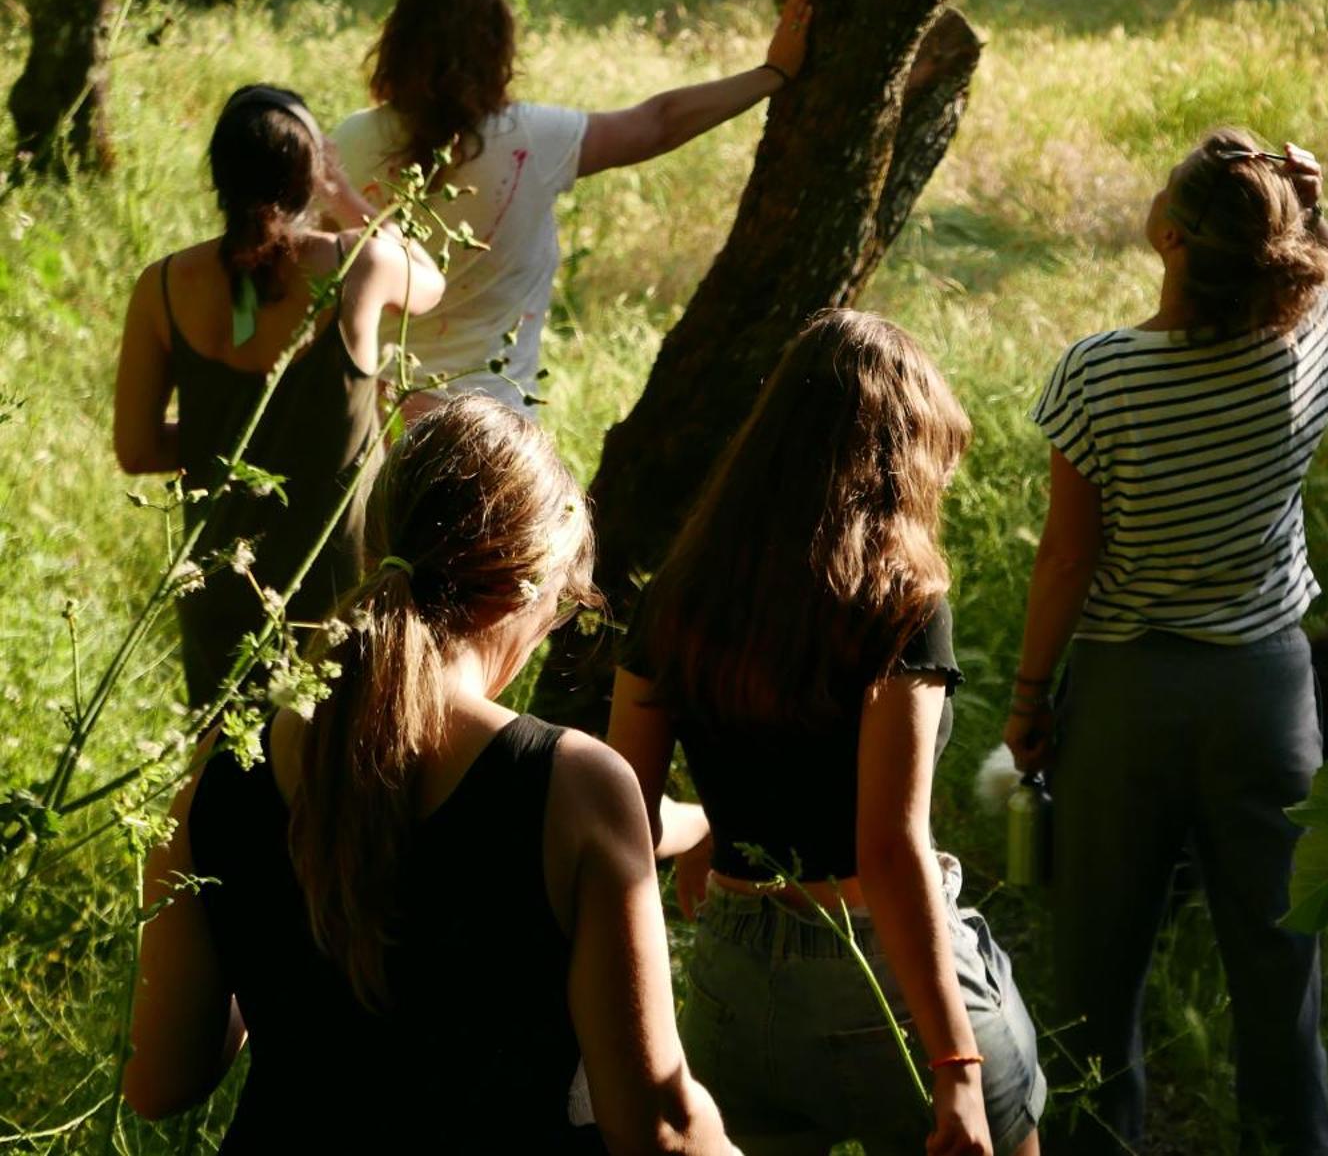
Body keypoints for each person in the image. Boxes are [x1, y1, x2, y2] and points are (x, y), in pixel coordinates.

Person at [125, 396, 736, 1155]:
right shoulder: (572, 786)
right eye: (559, 609)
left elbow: (159, 1082)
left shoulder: (232, 755)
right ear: (526, 590)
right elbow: (659, 1126)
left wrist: (275, 958)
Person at [610, 310, 1045, 1156]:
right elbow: (887, 845)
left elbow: (625, 808)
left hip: (733, 977)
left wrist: (713, 823)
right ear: (896, 462)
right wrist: (954, 1064)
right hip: (870, 962)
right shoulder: (900, 601)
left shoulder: (679, 591)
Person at [1007, 130, 1328, 1155]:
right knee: (1279, 963)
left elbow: (1066, 560)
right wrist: (1309, 205)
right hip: (1266, 690)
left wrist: (1029, 698)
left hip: (1125, 693)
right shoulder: (1298, 356)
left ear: (1166, 235)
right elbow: (1320, 282)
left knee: (1097, 972)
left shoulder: (1099, 374)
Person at [333, 0, 812, 411]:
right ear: (498, 48)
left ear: (397, 42)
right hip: (492, 427)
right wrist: (771, 74)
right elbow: (658, 124)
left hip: (381, 420)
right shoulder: (533, 138)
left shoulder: (349, 142)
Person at [113, 84, 446, 708]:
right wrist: (343, 194)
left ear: (217, 175)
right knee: (334, 772)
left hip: (220, 581)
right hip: (338, 587)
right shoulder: (360, 265)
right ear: (309, 173)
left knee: (225, 770)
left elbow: (135, 449)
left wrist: (231, 432)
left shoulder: (160, 287)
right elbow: (431, 279)